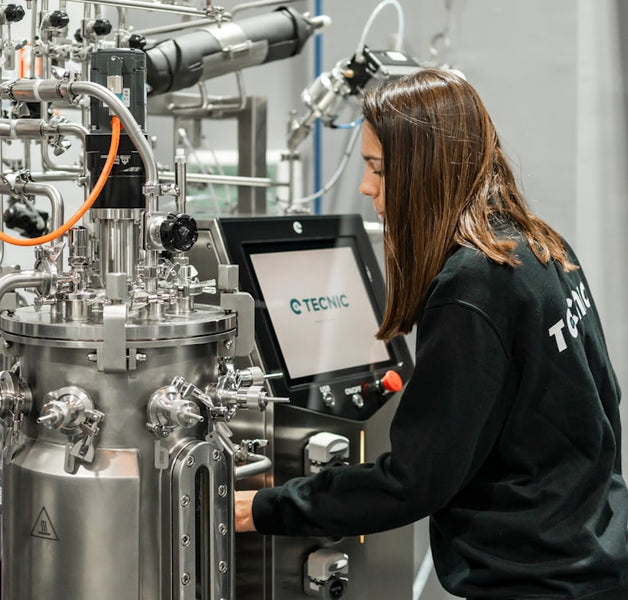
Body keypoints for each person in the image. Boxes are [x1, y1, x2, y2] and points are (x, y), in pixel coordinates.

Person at [234, 68, 628, 600]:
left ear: (424, 170)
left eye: (377, 167)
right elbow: (605, 401)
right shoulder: (541, 246)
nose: (366, 185)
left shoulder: (473, 284)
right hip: (595, 554)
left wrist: (264, 507)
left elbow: (414, 480)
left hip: (537, 580)